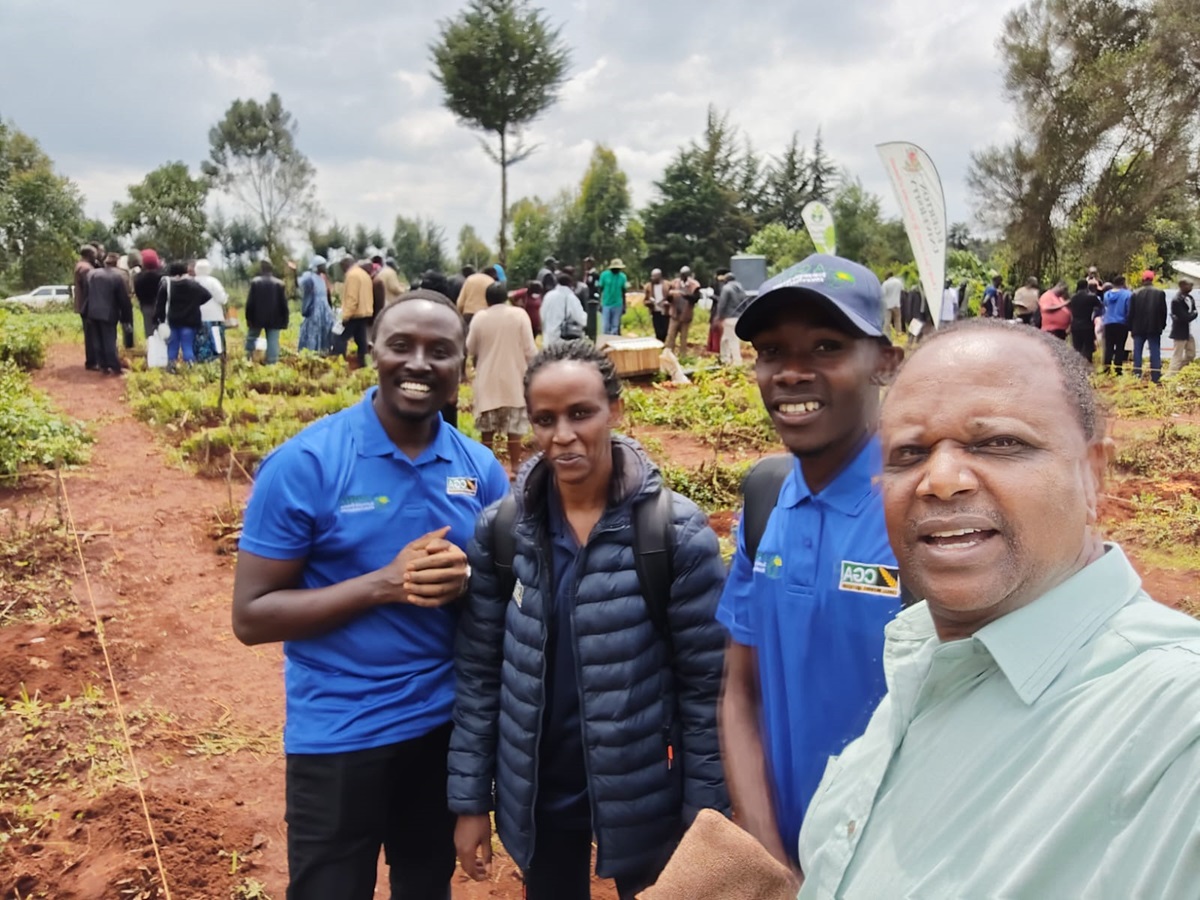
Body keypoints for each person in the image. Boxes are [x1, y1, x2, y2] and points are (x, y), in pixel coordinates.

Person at [797, 320, 1200, 899]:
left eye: (1000, 443)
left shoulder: (1176, 727)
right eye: (910, 453)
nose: (940, 480)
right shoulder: (927, 663)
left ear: (1095, 474)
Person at [233, 290, 509, 899]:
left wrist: (466, 583)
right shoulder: (308, 463)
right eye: (401, 346)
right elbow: (251, 618)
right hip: (337, 733)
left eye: (440, 351)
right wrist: (384, 584)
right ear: (372, 355)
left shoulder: (479, 469)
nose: (419, 364)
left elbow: (496, 601)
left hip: (440, 730)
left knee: (423, 886)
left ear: (460, 367)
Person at [449, 340, 729, 900]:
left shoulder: (671, 534)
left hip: (648, 789)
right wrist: (470, 801)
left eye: (581, 413)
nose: (562, 436)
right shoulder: (504, 531)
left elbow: (706, 691)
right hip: (539, 789)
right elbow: (480, 674)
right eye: (545, 419)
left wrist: (706, 817)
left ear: (615, 411)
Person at [717, 253, 904, 878]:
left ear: (885, 361)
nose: (791, 373)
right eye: (772, 351)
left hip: (898, 868)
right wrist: (769, 855)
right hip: (789, 864)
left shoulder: (919, 513)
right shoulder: (767, 500)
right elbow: (740, 693)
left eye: (826, 346)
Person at [466, 281, 537, 476]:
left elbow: (470, 348)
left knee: (487, 431)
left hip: (487, 381)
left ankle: (489, 470)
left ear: (487, 300)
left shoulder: (480, 318)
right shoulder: (519, 315)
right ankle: (515, 468)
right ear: (506, 297)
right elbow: (530, 350)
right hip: (515, 380)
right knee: (515, 428)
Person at [154, 261, 211, 371]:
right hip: (190, 321)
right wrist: (194, 303)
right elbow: (207, 296)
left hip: (173, 321)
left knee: (172, 346)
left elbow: (160, 305)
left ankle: (171, 368)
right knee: (187, 346)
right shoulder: (194, 285)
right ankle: (190, 369)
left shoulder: (167, 286)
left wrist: (158, 320)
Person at [84, 252, 134, 376]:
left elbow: (87, 293)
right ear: (116, 263)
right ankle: (115, 367)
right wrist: (126, 318)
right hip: (108, 312)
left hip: (92, 311)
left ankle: (103, 366)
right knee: (109, 340)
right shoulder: (117, 277)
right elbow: (123, 300)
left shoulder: (92, 274)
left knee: (97, 340)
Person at [244, 260, 289, 365]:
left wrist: (248, 318)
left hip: (257, 318)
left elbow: (250, 303)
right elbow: (284, 304)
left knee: (251, 338)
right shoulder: (279, 284)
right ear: (271, 268)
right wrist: (285, 320)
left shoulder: (255, 282)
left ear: (261, 268)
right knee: (273, 341)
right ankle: (272, 363)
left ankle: (248, 359)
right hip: (275, 318)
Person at [1128, 269, 1168, 383]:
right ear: (1152, 279)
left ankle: (1136, 376)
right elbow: (1163, 312)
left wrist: (1130, 327)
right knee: (1155, 351)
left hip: (1138, 327)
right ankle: (1156, 377)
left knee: (1137, 352)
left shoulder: (1135, 293)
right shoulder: (1160, 293)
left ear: (1143, 279)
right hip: (1154, 327)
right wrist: (1162, 325)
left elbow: (1131, 312)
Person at [335, 256, 374, 368]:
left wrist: (345, 317)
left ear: (345, 265)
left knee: (340, 338)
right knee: (361, 341)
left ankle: (338, 364)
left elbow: (352, 298)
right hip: (365, 313)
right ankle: (363, 364)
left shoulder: (352, 275)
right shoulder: (364, 274)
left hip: (355, 313)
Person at [193, 259, 228, 362]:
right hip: (214, 316)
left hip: (196, 317)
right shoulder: (213, 281)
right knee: (216, 340)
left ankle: (200, 360)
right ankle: (217, 360)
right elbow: (221, 299)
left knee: (199, 341)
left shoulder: (192, 281)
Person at [298, 256, 334, 354]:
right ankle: (310, 352)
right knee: (313, 331)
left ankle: (322, 351)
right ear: (316, 267)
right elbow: (307, 294)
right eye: (322, 266)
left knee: (324, 330)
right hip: (315, 309)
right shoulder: (309, 278)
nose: (324, 268)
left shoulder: (321, 279)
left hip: (324, 309)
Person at [541, 272, 587, 347]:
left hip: (547, 336)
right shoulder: (570, 297)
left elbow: (542, 314)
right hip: (562, 337)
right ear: (570, 284)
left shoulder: (548, 295)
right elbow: (580, 318)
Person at [714, 267, 746, 366]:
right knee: (725, 339)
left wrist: (718, 317)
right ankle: (725, 359)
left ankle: (737, 362)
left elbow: (722, 304)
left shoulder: (726, 288)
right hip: (738, 317)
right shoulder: (741, 289)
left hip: (729, 317)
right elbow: (745, 303)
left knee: (732, 340)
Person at [665, 266, 701, 355]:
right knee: (670, 336)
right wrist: (670, 295)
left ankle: (683, 356)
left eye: (684, 275)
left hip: (686, 315)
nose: (682, 276)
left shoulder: (694, 285)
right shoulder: (674, 283)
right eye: (681, 274)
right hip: (674, 314)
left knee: (683, 338)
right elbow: (668, 298)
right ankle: (668, 354)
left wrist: (684, 294)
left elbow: (696, 299)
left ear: (688, 275)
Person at [1102, 275, 1132, 374]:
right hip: (1121, 323)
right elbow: (1128, 309)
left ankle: (1106, 367)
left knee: (1109, 346)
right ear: (1123, 283)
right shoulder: (1127, 294)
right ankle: (1118, 368)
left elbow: (1106, 305)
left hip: (1108, 322)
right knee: (1120, 346)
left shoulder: (1107, 294)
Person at [133, 249, 164, 346]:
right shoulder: (162, 276)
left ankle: (151, 351)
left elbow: (137, 293)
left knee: (149, 331)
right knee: (162, 329)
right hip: (161, 306)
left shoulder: (138, 277)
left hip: (146, 306)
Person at [73, 245, 97, 370]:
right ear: (89, 255)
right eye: (94, 254)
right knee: (91, 334)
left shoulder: (80, 265)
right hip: (87, 305)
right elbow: (90, 288)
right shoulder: (86, 268)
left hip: (84, 305)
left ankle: (92, 360)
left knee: (89, 333)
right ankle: (92, 361)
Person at [1067, 278, 1102, 361]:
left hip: (1075, 325)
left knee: (1077, 348)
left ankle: (1077, 365)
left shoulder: (1073, 298)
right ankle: (1087, 366)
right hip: (1087, 325)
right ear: (1086, 287)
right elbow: (1100, 307)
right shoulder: (1091, 297)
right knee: (1088, 348)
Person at [1168, 278, 1197, 376]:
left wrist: (1192, 314)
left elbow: (1193, 311)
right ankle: (1170, 376)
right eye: (1190, 285)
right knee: (1177, 355)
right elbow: (1185, 317)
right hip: (1179, 332)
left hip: (1188, 331)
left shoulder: (1190, 298)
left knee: (1191, 354)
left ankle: (1176, 371)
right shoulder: (1177, 300)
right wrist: (1193, 314)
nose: (1191, 288)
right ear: (1182, 285)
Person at [598, 258, 628, 336]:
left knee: (615, 326)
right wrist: (599, 303)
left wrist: (624, 306)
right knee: (605, 326)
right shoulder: (604, 275)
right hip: (606, 303)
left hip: (618, 304)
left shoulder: (623, 277)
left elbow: (623, 292)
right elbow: (600, 290)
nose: (617, 270)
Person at [643, 268, 670, 342]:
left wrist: (668, 303)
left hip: (665, 311)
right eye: (652, 276)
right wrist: (650, 303)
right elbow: (645, 301)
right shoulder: (649, 287)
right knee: (658, 331)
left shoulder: (667, 285)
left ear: (659, 276)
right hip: (655, 312)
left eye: (654, 276)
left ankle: (664, 344)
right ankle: (660, 345)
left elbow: (672, 298)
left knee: (665, 331)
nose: (652, 278)